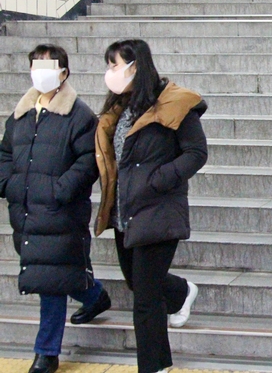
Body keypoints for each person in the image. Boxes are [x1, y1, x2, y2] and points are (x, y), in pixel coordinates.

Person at [93, 39, 208, 373]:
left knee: (144, 301)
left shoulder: (175, 104)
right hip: (124, 213)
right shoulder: (118, 109)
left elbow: (196, 153)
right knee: (137, 282)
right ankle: (181, 291)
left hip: (157, 210)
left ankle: (155, 367)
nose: (110, 72)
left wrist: (159, 179)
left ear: (136, 66)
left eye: (115, 64)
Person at [0, 45, 111, 373]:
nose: (41, 71)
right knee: (53, 270)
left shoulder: (79, 115)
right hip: (26, 211)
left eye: (48, 66)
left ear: (64, 72)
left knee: (49, 278)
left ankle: (46, 352)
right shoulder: (20, 114)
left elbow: (89, 160)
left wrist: (58, 190)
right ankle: (94, 296)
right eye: (36, 65)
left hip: (60, 211)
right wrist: (8, 184)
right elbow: (5, 154)